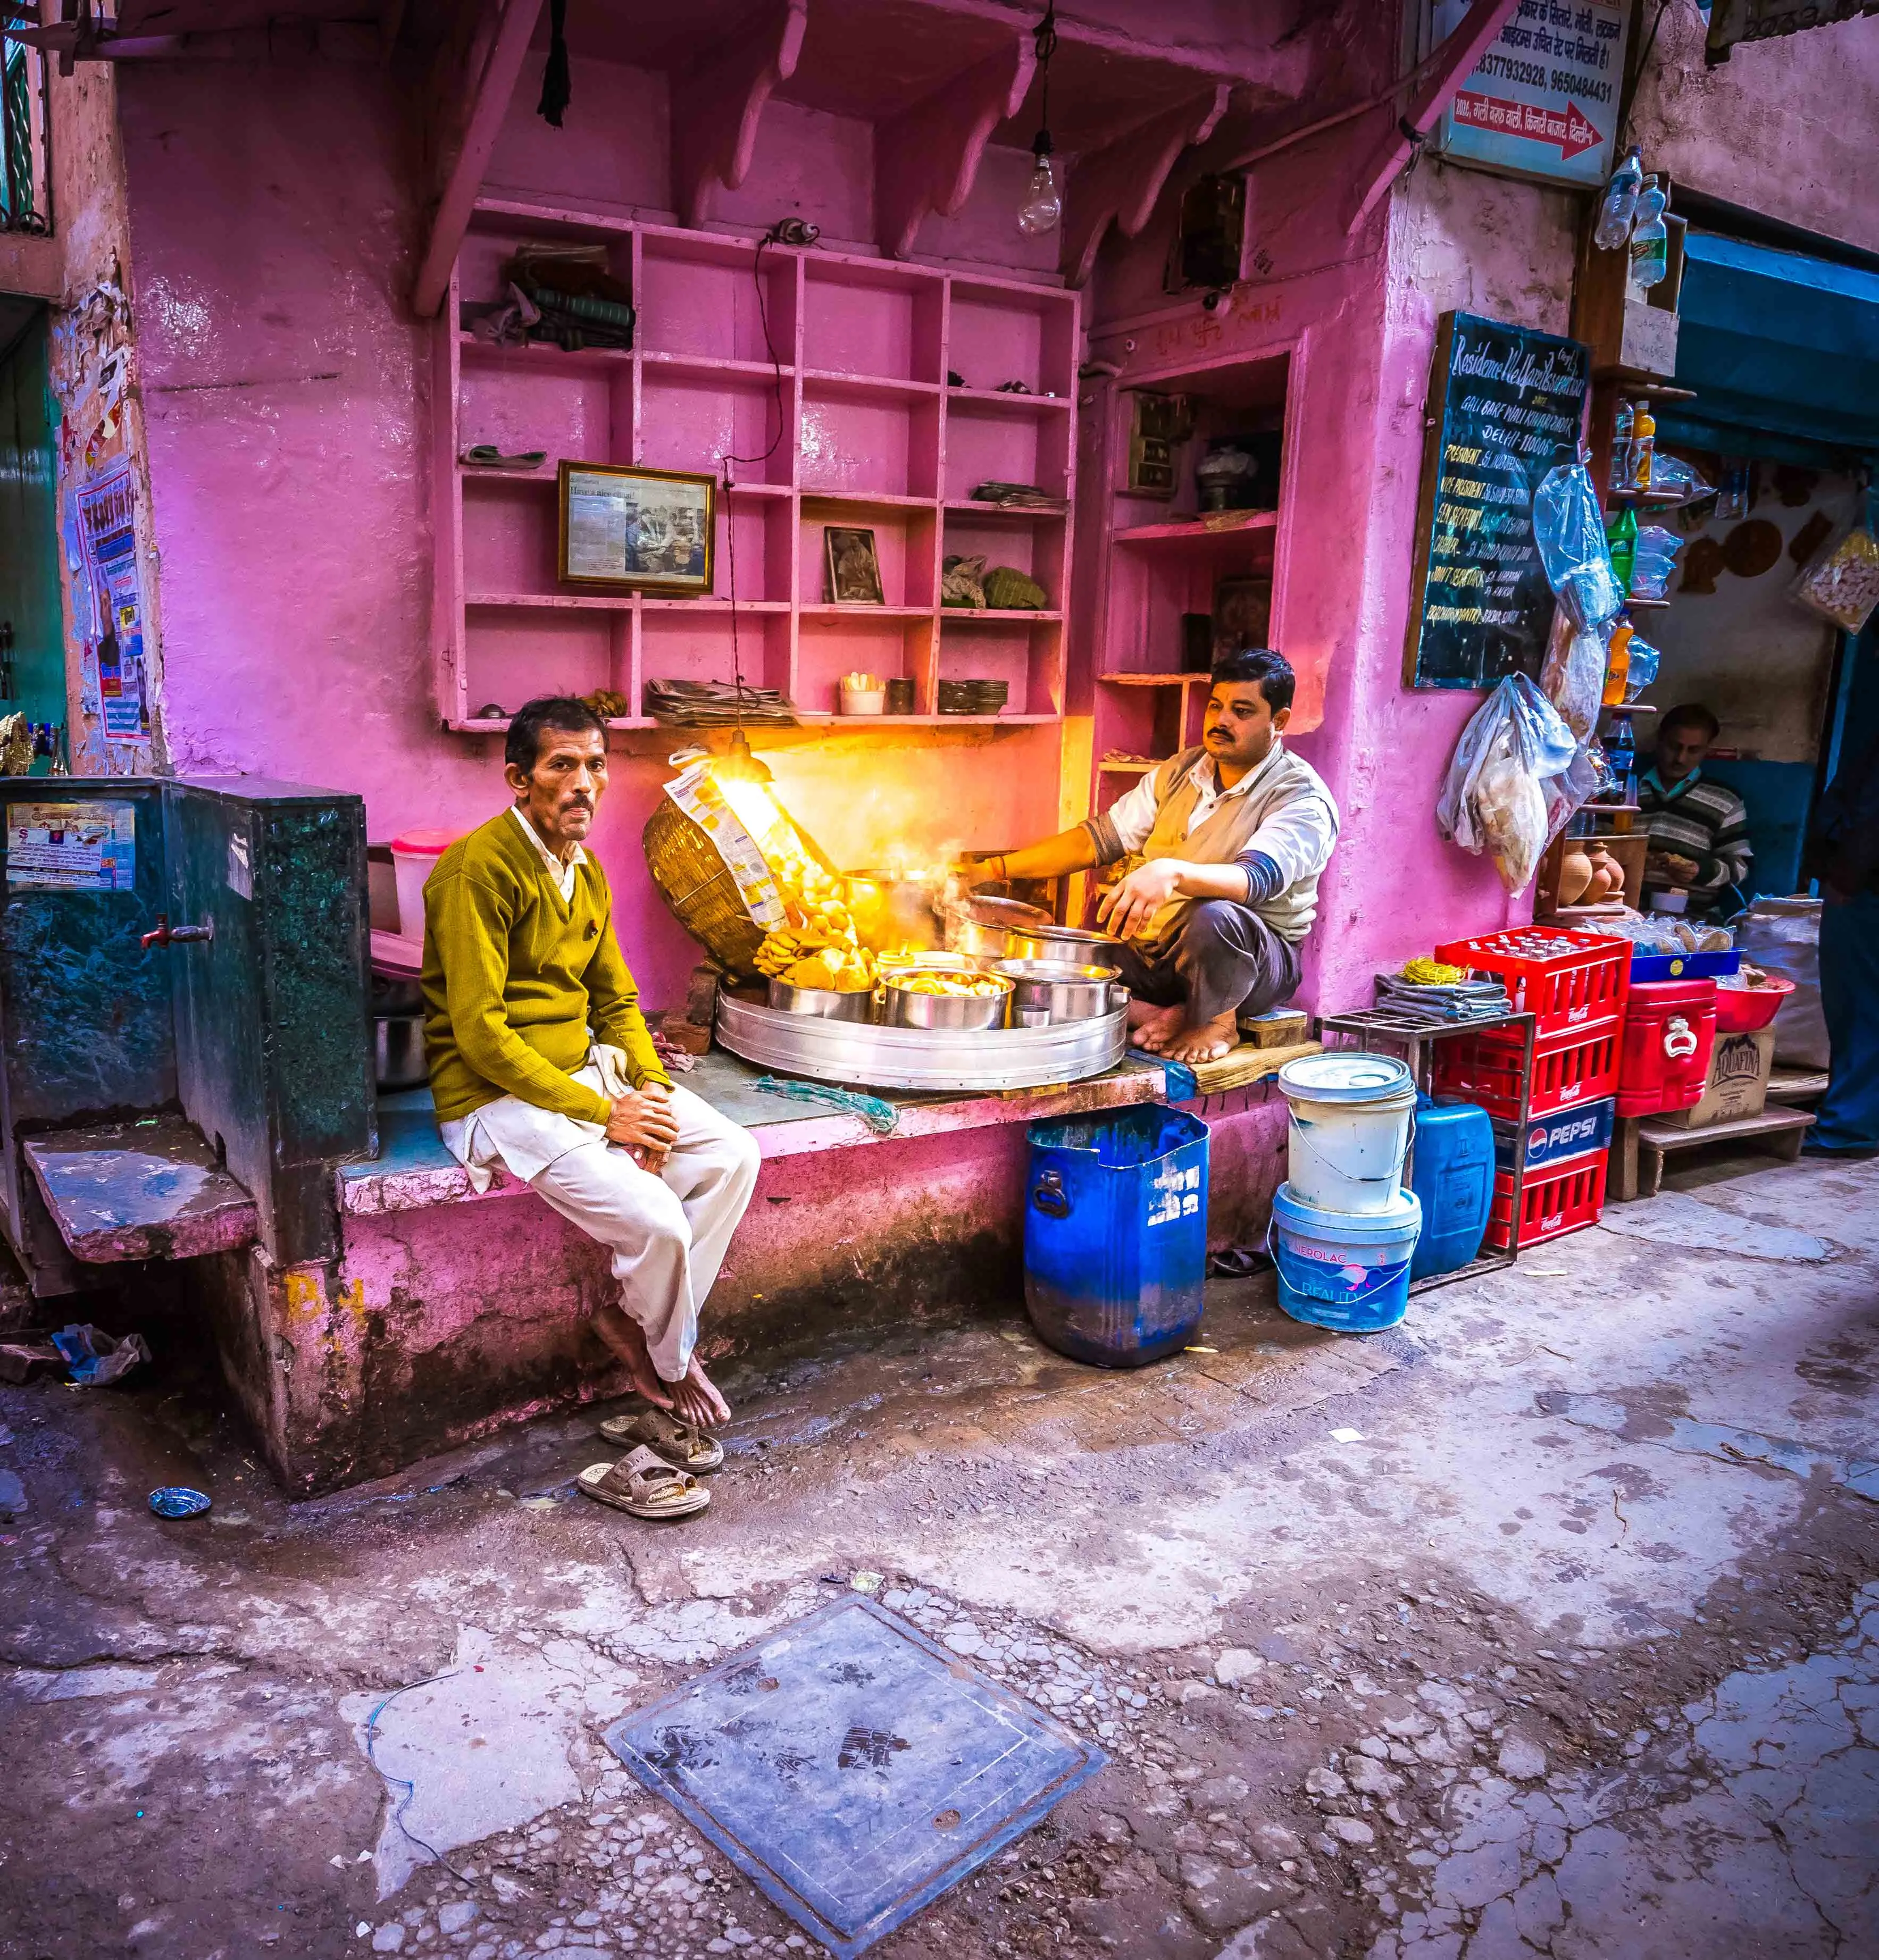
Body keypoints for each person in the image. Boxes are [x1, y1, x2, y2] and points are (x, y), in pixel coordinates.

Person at [421, 696, 759, 1517]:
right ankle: (670, 1366)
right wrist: (606, 1115)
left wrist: (644, 1090)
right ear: (519, 778)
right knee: (657, 1220)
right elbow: (481, 1034)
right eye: (561, 765)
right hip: (495, 1095)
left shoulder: (586, 867)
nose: (584, 783)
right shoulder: (476, 870)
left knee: (729, 1156)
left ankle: (633, 1320)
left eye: (596, 764)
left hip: (583, 1074)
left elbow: (616, 1000)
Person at [969, 648, 1339, 1065]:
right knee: (1058, 956)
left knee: (1213, 916)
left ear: (1279, 722)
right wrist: (991, 870)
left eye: (1242, 711)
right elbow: (1097, 841)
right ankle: (1167, 1013)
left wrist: (1171, 872)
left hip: (1249, 967)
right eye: (1216, 706)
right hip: (1159, 956)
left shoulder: (1300, 797)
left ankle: (1217, 1022)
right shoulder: (1182, 770)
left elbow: (1254, 881)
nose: (1221, 721)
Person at [1803, 727, 1879, 1158]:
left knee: (1859, 1005)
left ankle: (1848, 1125)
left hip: (1865, 890)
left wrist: (1846, 877)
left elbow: (1871, 812)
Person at [1638, 703, 1751, 917]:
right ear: (1660, 741)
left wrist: (1700, 871)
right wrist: (1636, 860)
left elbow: (1741, 868)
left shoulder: (1725, 801)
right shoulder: (1626, 792)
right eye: (1674, 746)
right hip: (1626, 914)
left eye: (1693, 750)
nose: (1680, 758)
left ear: (1707, 750)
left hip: (1694, 918)